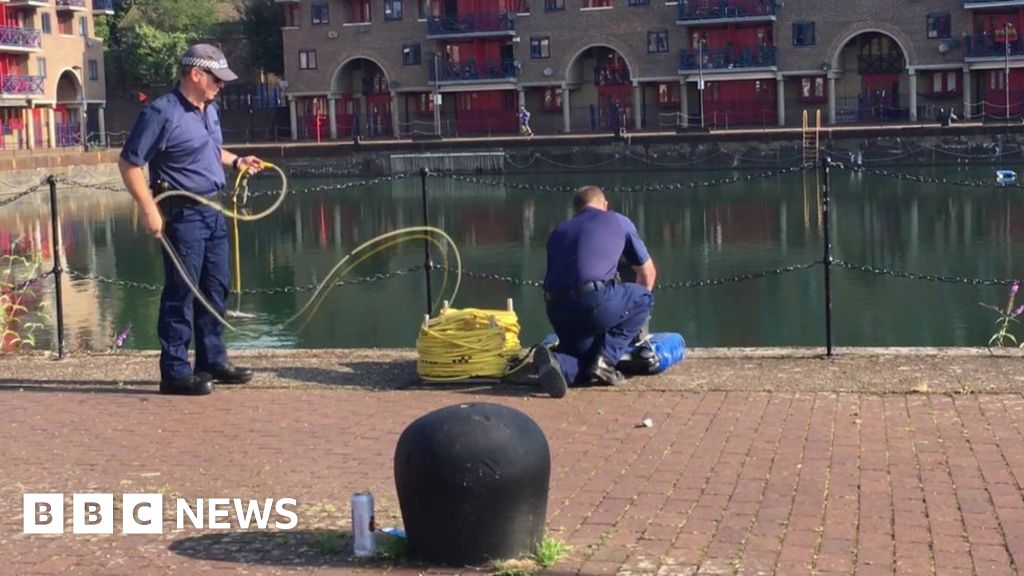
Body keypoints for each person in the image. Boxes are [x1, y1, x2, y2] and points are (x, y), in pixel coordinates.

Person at [118, 44, 264, 396]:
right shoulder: (161, 112)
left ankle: (211, 360)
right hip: (182, 213)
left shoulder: (209, 110)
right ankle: (175, 372)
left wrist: (236, 161)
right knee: (180, 293)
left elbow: (207, 149)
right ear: (196, 75)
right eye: (217, 78)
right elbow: (129, 163)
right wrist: (150, 209)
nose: (222, 85)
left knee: (216, 286)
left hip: (213, 210)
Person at [535, 186, 656, 398]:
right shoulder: (618, 220)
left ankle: (560, 365)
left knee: (584, 356)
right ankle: (606, 362)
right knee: (643, 298)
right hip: (593, 301)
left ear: (575, 209)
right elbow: (647, 274)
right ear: (605, 205)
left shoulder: (559, 230)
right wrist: (630, 324)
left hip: (555, 309)